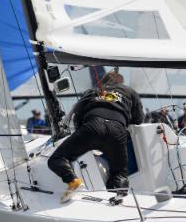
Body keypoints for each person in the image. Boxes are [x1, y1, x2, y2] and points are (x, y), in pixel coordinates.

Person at [48, 70, 144, 203]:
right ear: (121, 82)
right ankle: (118, 200)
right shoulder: (130, 91)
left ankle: (73, 181)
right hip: (117, 131)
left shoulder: (92, 91)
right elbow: (139, 119)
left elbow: (78, 116)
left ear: (103, 82)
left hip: (93, 127)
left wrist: (83, 135)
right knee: (119, 174)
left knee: (57, 158)